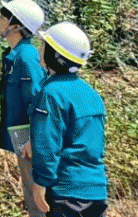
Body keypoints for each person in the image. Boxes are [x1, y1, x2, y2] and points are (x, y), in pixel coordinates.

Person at [23, 22, 108, 217]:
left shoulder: (51, 93)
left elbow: (47, 143)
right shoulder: (91, 93)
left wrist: (40, 183)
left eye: (44, 45)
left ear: (55, 55)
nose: (39, 48)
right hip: (97, 190)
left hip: (66, 192)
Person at [0, 0, 47, 217]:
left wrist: (33, 139)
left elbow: (38, 101)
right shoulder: (13, 55)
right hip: (21, 132)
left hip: (29, 135)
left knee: (37, 196)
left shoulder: (26, 57)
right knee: (30, 192)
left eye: (4, 16)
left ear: (16, 26)